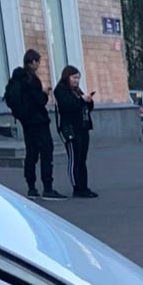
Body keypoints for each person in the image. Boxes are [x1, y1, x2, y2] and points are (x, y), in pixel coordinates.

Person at [7, 49, 63, 199]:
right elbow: (40, 101)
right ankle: (48, 187)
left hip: (26, 122)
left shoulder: (18, 79)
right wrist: (44, 93)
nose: (38, 64)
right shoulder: (32, 80)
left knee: (31, 154)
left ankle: (31, 187)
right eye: (37, 61)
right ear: (32, 62)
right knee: (46, 152)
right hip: (38, 121)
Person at [54, 65, 98, 198]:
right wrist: (81, 100)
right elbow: (68, 106)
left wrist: (89, 101)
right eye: (74, 77)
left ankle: (84, 186)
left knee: (82, 158)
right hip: (70, 128)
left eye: (78, 78)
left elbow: (85, 106)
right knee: (74, 158)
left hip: (83, 127)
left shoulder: (77, 90)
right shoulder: (61, 90)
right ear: (67, 77)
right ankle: (77, 187)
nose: (76, 80)